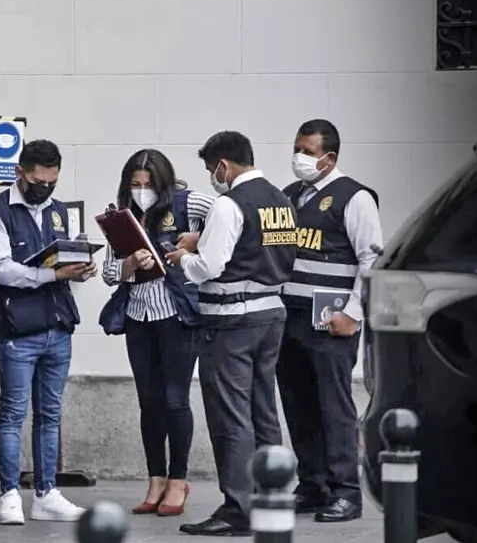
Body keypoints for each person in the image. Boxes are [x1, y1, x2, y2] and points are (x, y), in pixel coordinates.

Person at [164, 131, 298, 536]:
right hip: (270, 314)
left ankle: (238, 509)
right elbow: (256, 247)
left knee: (231, 417)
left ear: (223, 165)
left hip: (231, 321)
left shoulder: (229, 203)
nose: (211, 177)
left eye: (211, 170)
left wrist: (185, 257)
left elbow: (212, 267)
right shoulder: (281, 199)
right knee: (263, 412)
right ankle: (271, 495)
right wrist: (202, 242)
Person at [0, 139, 95, 525]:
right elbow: (2, 269)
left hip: (58, 325)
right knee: (12, 412)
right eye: (37, 181)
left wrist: (82, 266)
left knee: (50, 414)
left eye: (51, 182)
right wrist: (52, 274)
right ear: (19, 174)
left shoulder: (61, 212)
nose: (44, 188)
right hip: (17, 329)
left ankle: (47, 493)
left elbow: (70, 254)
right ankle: (10, 493)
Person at [277, 119, 382, 523]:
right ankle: (313, 485)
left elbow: (372, 259)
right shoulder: (290, 196)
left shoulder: (354, 197)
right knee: (298, 403)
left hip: (331, 320)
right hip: (290, 317)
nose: (299, 157)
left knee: (332, 405)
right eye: (297, 148)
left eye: (308, 151)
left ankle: (345, 491)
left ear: (329, 157)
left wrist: (354, 314)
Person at [101, 149, 214, 517]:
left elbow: (232, 216)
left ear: (163, 182)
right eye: (135, 184)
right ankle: (156, 478)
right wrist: (130, 263)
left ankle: (179, 479)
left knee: (174, 399)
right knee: (148, 401)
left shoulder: (187, 201)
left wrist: (196, 239)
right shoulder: (122, 215)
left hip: (176, 315)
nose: (141, 190)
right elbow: (108, 273)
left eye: (148, 184)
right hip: (138, 315)